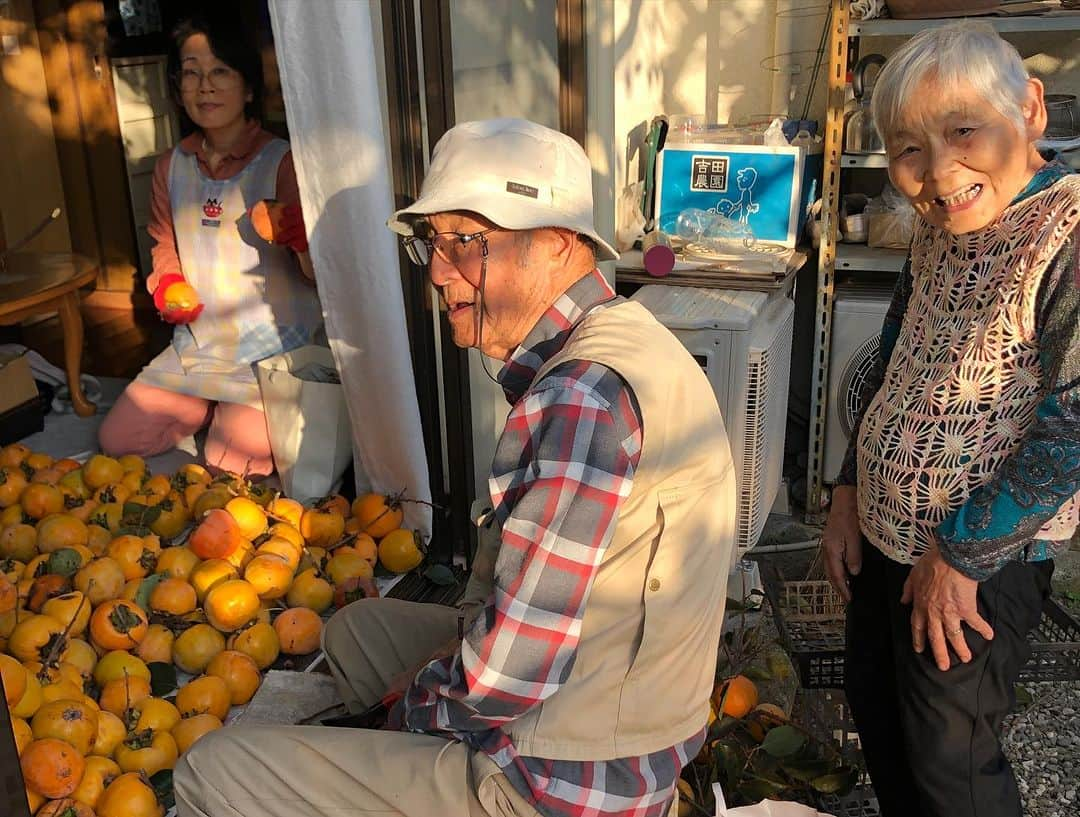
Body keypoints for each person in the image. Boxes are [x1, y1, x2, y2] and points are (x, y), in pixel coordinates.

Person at [174, 118, 737, 817]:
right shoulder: (624, 338)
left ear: (557, 245)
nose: (439, 271)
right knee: (355, 632)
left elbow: (509, 673)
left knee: (211, 770)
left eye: (466, 243)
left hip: (557, 786)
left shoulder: (581, 395)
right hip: (600, 703)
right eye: (431, 243)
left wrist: (404, 711)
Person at [821, 22, 1079, 817]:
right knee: (882, 723)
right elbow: (894, 354)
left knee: (952, 768)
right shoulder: (944, 227)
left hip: (978, 564)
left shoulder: (1067, 233)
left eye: (963, 131)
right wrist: (847, 489)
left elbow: (1075, 422)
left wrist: (960, 556)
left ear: (1030, 109)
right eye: (908, 151)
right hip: (891, 539)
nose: (937, 173)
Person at [97, 12, 322, 477]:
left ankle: (224, 414)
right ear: (178, 87)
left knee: (232, 462)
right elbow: (163, 244)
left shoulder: (284, 162)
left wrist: (293, 230)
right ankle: (204, 405)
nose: (205, 86)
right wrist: (169, 283)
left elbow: (319, 274)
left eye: (220, 71)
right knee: (119, 439)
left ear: (249, 87)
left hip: (273, 350)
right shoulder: (171, 166)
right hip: (199, 343)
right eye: (192, 72)